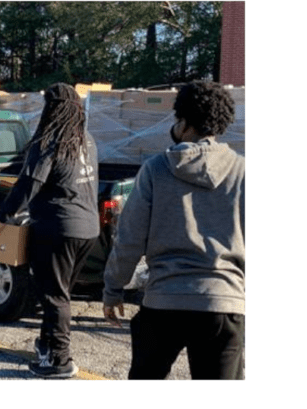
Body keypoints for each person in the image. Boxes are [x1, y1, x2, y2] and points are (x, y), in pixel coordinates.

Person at [103, 81, 245, 380]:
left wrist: (113, 289)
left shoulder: (156, 169)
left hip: (163, 302)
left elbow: (129, 239)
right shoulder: (242, 172)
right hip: (222, 302)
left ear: (183, 121)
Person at [0, 83, 99, 379]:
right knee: (59, 293)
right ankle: (46, 344)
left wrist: (1, 217)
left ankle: (60, 361)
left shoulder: (49, 141)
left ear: (52, 108)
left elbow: (28, 184)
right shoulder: (86, 140)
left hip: (57, 228)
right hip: (87, 228)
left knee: (54, 297)